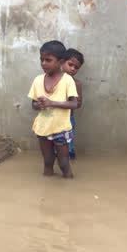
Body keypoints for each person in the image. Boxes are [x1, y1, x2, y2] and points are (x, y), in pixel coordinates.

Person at [29, 40, 79, 178]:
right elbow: (33, 105)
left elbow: (74, 104)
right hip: (43, 128)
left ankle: (69, 189)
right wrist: (38, 105)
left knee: (64, 163)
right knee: (47, 162)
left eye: (48, 60)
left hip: (61, 129)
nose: (43, 63)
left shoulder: (67, 80)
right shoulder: (38, 80)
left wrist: (51, 103)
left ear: (60, 62)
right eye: (42, 59)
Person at [62, 48, 84, 159]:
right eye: (70, 64)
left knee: (68, 143)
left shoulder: (76, 84)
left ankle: (69, 157)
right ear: (62, 62)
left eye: (76, 67)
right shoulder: (52, 79)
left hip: (68, 118)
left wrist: (71, 102)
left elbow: (79, 103)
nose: (72, 69)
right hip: (52, 118)